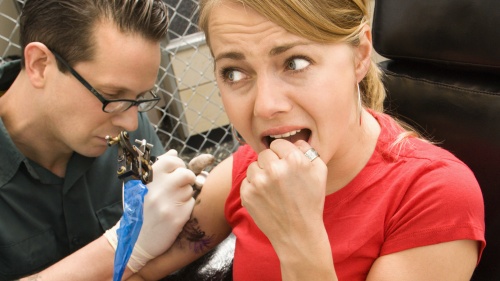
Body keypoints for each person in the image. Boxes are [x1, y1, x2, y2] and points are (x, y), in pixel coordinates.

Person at [129, 0, 486, 280]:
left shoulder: (434, 197)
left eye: (295, 63)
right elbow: (142, 271)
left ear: (360, 56)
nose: (266, 106)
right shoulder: (246, 171)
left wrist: (299, 238)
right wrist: (132, 231)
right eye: (234, 72)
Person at [0, 0, 197, 280]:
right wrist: (120, 246)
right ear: (40, 65)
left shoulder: (125, 130)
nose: (130, 123)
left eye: (139, 98)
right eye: (112, 96)